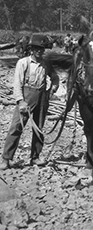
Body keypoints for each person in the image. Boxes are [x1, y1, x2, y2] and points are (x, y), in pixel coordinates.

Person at [0, 34, 59, 170]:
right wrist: (21, 101)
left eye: (42, 49)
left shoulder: (46, 64)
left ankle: (35, 157)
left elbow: (55, 78)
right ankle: (6, 158)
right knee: (16, 127)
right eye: (37, 48)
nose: (40, 51)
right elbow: (17, 84)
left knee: (38, 128)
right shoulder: (23, 63)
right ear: (31, 49)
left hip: (42, 97)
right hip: (27, 96)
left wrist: (53, 88)